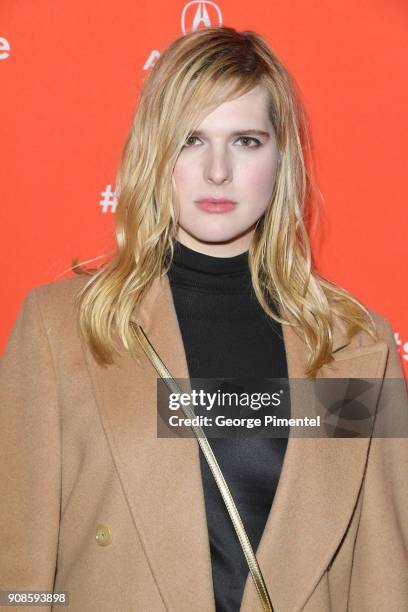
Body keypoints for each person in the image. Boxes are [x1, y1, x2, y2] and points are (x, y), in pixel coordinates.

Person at [1, 26, 407, 612]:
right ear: (153, 153)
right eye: (191, 139)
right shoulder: (62, 328)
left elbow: (382, 577)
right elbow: (19, 575)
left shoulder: (355, 346)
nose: (218, 171)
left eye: (245, 140)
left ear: (280, 156)